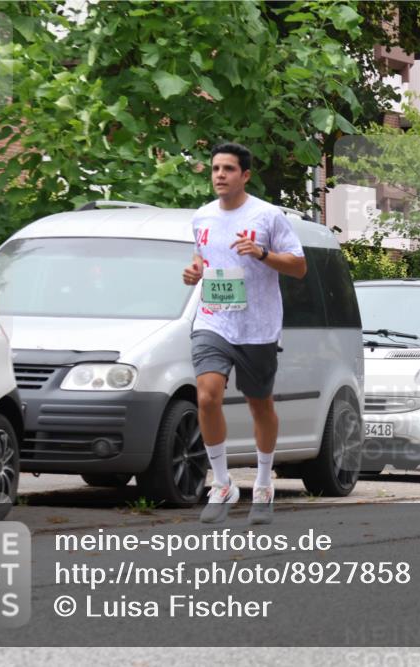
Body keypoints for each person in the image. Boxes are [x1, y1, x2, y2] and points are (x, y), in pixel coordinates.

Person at [182, 142, 307, 524]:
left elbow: (299, 267)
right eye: (216, 168)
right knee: (207, 395)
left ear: (245, 175)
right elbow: (202, 260)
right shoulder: (201, 218)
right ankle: (221, 483)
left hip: (257, 326)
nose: (220, 175)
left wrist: (262, 254)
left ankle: (264, 481)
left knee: (260, 404)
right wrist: (193, 272)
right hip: (213, 319)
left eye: (229, 169)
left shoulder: (268, 217)